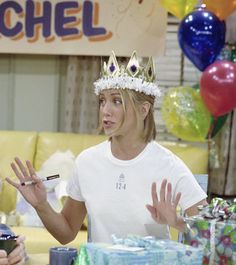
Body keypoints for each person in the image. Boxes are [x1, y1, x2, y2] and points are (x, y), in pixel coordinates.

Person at [6, 51, 207, 244]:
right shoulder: (87, 162)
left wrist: (176, 223)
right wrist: (41, 205)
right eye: (102, 101)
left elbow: (210, 234)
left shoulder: (169, 165)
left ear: (143, 110)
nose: (105, 110)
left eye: (116, 101)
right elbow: (66, 232)